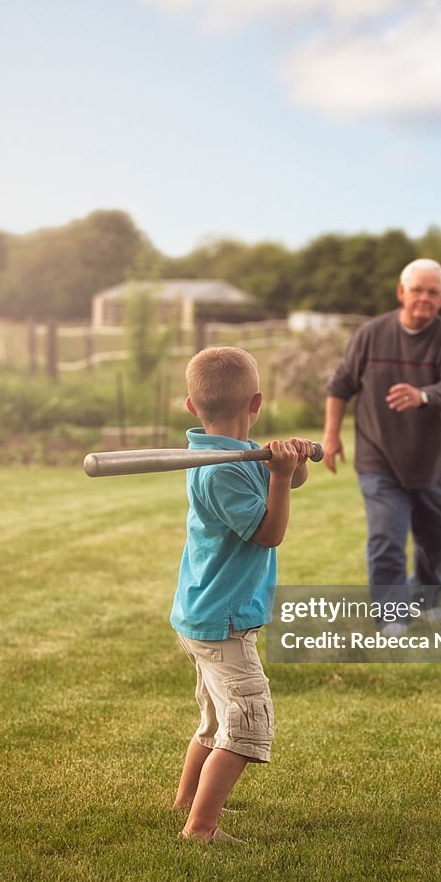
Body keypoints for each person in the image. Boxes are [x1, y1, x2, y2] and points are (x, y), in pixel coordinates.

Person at [170, 346, 314, 843]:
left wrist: (291, 464)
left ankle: (187, 800)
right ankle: (202, 828)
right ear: (257, 401)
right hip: (223, 620)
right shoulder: (222, 468)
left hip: (208, 613)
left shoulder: (227, 452)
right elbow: (270, 532)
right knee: (249, 723)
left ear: (192, 406)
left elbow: (291, 479)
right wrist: (277, 477)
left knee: (214, 721)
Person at [322, 258, 441, 636]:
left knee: (438, 538)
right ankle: (391, 614)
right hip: (378, 457)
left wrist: (421, 395)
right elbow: (340, 387)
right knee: (387, 535)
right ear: (401, 292)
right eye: (417, 290)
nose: (423, 298)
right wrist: (331, 436)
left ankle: (425, 596)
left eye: (432, 292)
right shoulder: (371, 335)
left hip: (431, 461)